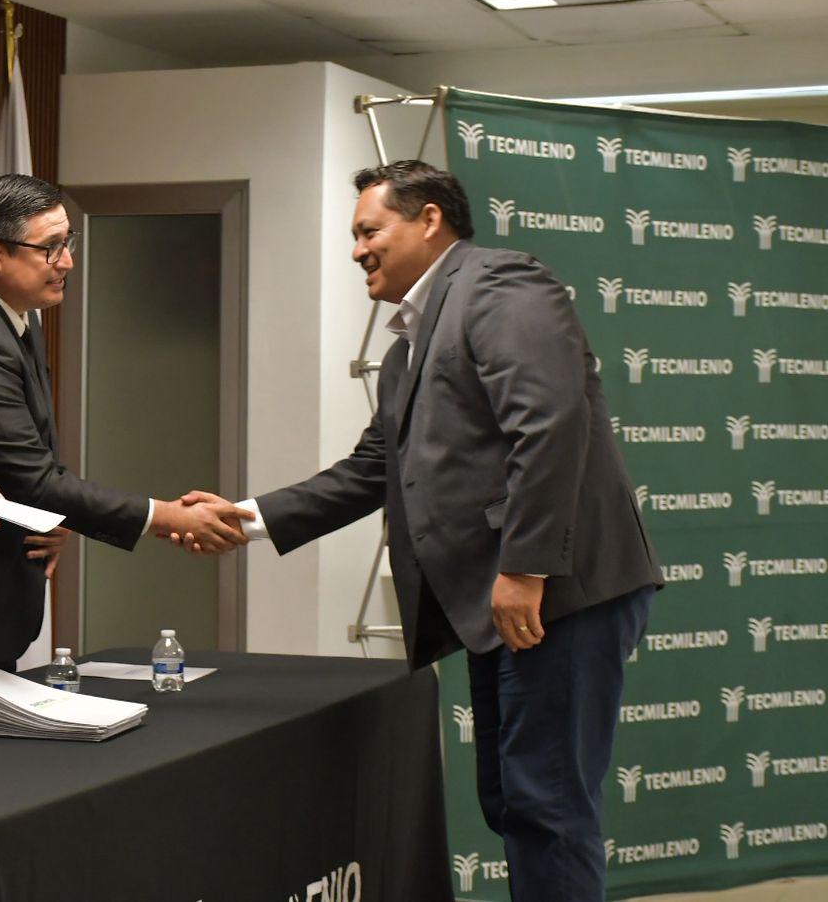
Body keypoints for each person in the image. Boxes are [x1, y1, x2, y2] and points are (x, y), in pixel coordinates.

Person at [197, 160, 661, 901]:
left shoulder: (499, 284)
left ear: (430, 219)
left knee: (548, 808)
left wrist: (525, 568)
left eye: (369, 230)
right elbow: (370, 471)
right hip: (503, 603)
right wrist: (243, 519)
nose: (357, 250)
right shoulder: (406, 348)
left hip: (555, 594)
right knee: (514, 801)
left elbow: (550, 423)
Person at [0, 173, 252, 693]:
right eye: (51, 248)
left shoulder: (11, 310)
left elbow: (24, 460)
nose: (67, 262)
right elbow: (34, 479)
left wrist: (52, 514)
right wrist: (169, 516)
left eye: (68, 243)